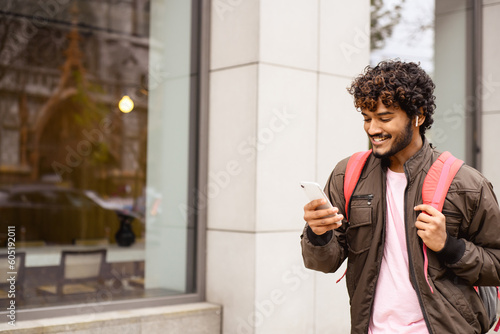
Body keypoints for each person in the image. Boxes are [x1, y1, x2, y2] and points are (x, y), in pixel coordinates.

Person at [300, 60, 500, 334]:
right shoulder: (347, 175)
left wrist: (450, 247)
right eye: (366, 118)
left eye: (384, 118)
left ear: (417, 115)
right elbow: (324, 262)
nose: (372, 129)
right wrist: (318, 234)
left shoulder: (465, 184)